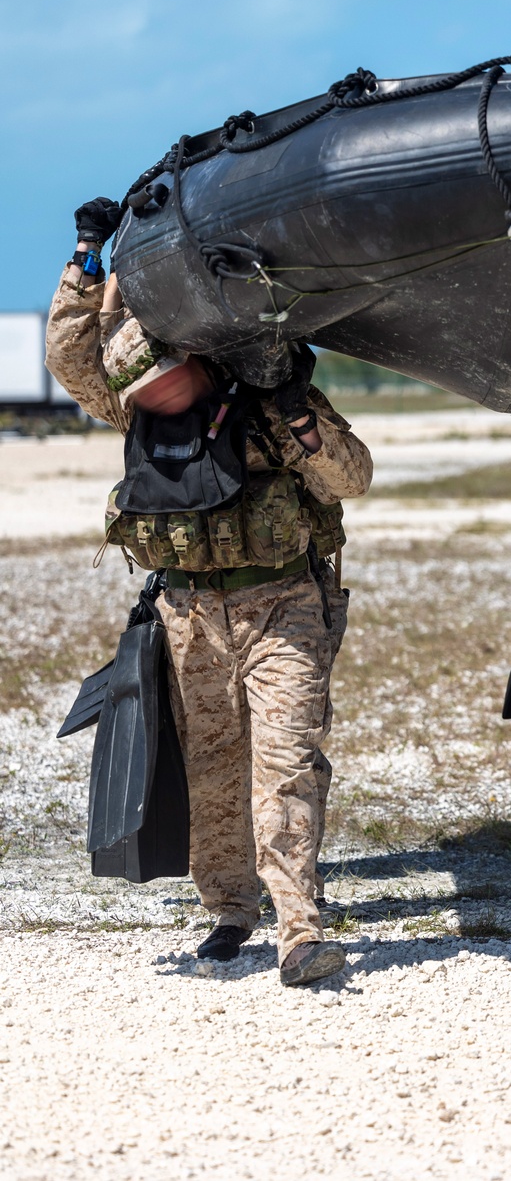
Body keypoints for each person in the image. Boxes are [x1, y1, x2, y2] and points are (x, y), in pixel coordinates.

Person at [46, 196, 374, 987]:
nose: (155, 402)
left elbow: (351, 477)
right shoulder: (130, 408)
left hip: (283, 605)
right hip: (188, 612)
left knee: (286, 761)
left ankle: (300, 930)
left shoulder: (261, 405)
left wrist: (297, 413)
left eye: (166, 387)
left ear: (192, 365)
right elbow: (67, 350)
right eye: (142, 397)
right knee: (214, 766)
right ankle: (230, 910)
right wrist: (88, 255)